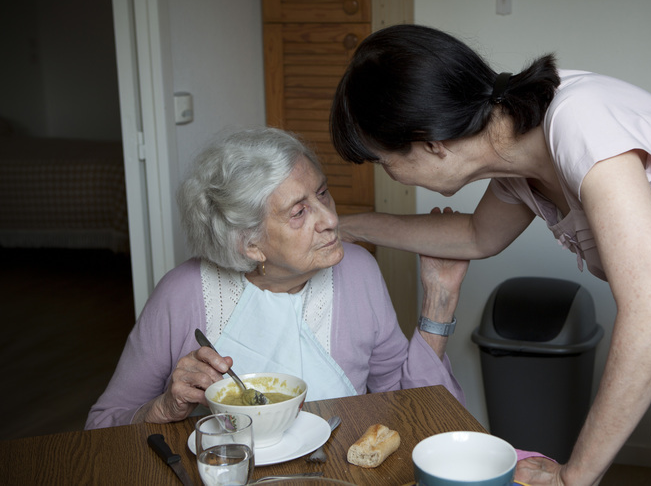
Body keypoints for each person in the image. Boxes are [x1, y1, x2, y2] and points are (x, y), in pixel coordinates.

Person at [330, 24, 651, 486]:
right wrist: (343, 228)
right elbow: (476, 237)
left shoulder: (581, 123)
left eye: (383, 162)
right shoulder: (514, 153)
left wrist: (576, 477)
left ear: (431, 144)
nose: (390, 175)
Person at [86, 127, 467, 429]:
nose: (331, 220)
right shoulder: (183, 294)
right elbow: (102, 425)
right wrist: (163, 408)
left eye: (323, 193)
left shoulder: (357, 271)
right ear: (250, 244)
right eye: (299, 212)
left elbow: (405, 406)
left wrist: (439, 296)